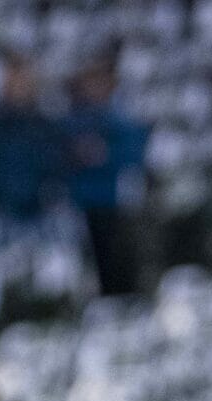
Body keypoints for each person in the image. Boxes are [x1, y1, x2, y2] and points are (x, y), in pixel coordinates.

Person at [61, 56, 149, 297]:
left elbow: (134, 153)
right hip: (82, 202)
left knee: (118, 256)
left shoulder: (120, 117)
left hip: (114, 201)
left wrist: (104, 153)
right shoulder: (72, 119)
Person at [0, 53, 64, 242]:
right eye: (11, 81)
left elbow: (53, 165)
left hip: (37, 212)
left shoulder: (45, 123)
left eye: (22, 81)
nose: (17, 87)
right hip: (1, 212)